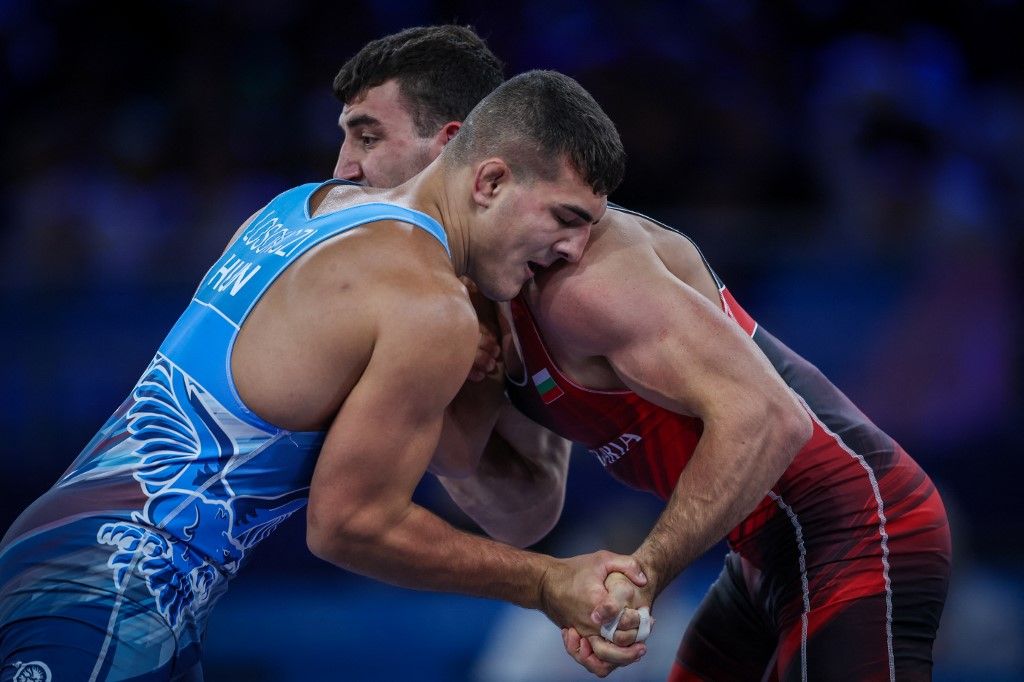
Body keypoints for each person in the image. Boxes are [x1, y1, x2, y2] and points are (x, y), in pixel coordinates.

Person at [330, 26, 953, 682]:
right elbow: (519, 512)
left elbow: (771, 418)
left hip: (859, 529)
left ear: (459, 152)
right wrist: (444, 379)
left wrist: (643, 575)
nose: (346, 167)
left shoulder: (580, 281)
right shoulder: (478, 295)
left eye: (368, 137)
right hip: (762, 556)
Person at [0, 69, 649, 681]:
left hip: (55, 556)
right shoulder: (425, 305)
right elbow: (351, 527)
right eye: (565, 219)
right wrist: (544, 582)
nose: (570, 251)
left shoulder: (304, 206)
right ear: (489, 182)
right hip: (112, 596)